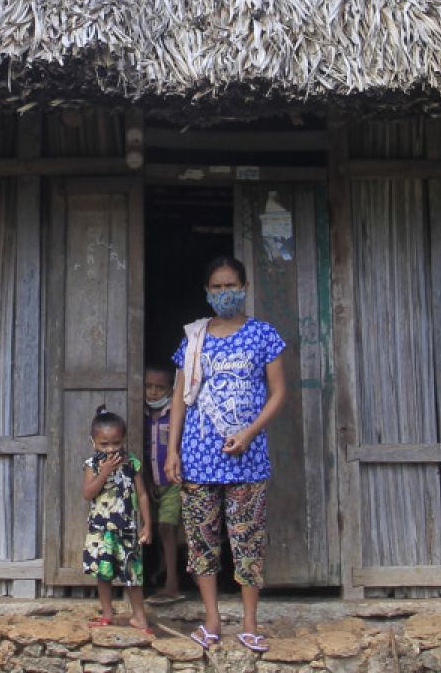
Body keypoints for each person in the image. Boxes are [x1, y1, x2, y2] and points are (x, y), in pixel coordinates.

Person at [165, 256, 287, 653]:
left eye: (230, 285)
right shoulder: (194, 338)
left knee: (248, 541)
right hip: (199, 457)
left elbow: (279, 393)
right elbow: (180, 399)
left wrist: (250, 433)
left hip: (246, 459)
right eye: (216, 287)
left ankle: (250, 622)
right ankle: (212, 618)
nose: (224, 293)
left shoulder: (263, 334)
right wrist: (172, 450)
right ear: (206, 292)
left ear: (245, 286)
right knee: (202, 540)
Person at [81, 406, 152, 633]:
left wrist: (147, 524)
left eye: (116, 443)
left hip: (127, 528)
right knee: (104, 574)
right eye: (104, 444)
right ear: (93, 442)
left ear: (123, 440)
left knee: (133, 574)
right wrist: (104, 472)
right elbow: (88, 493)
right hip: (102, 530)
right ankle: (107, 613)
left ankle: (139, 617)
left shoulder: (131, 463)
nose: (111, 449)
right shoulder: (92, 465)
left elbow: (142, 494)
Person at [142, 363, 184, 605]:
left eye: (160, 387)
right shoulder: (140, 414)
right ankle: (157, 575)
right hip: (150, 482)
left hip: (173, 482)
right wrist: (146, 480)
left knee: (167, 529)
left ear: (171, 389)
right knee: (154, 532)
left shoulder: (175, 414)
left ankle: (172, 584)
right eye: (148, 386)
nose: (153, 392)